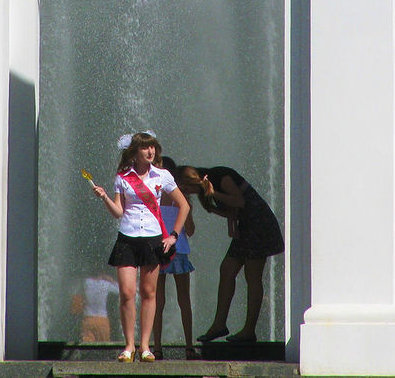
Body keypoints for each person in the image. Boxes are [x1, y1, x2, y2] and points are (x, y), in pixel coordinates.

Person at [91, 131, 190, 363]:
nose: (150, 151)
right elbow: (119, 212)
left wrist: (174, 235)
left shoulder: (162, 176)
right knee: (126, 293)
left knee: (149, 293)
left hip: (152, 239)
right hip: (127, 236)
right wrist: (105, 197)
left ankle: (145, 346)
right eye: (145, 148)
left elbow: (184, 205)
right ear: (134, 153)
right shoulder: (123, 177)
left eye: (153, 147)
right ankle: (129, 346)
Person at [178, 164, 284, 344]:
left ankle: (249, 330)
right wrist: (223, 218)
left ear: (192, 180)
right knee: (227, 269)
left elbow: (240, 201)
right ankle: (219, 324)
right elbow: (231, 209)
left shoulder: (220, 176)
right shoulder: (208, 187)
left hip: (259, 224)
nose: (185, 191)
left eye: (185, 187)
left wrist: (214, 194)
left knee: (253, 276)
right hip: (246, 227)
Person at [152, 156, 198, 360]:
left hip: (159, 250)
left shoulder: (154, 196)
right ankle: (189, 346)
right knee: (184, 300)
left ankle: (157, 347)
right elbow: (191, 230)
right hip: (178, 249)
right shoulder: (182, 199)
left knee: (156, 301)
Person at [72, 268, 121, 342]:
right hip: (102, 320)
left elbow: (75, 292)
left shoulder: (85, 282)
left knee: (86, 348)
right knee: (103, 349)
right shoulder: (105, 284)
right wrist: (110, 279)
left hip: (87, 320)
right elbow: (120, 290)